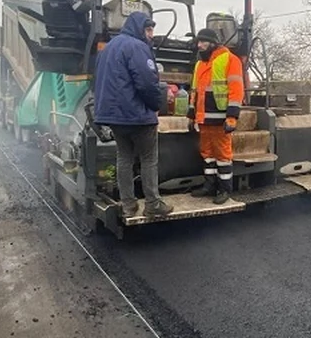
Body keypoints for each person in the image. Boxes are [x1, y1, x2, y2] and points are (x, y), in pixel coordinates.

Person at [93, 12, 174, 218]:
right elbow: (147, 82)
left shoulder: (107, 48)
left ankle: (128, 205)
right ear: (138, 29)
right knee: (148, 159)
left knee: (124, 158)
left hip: (114, 117)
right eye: (148, 30)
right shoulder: (138, 47)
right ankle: (153, 204)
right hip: (137, 115)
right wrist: (156, 104)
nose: (151, 35)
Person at [187, 29, 245, 205]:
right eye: (198, 42)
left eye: (203, 42)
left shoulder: (230, 59)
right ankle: (210, 186)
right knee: (207, 154)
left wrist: (232, 117)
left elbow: (236, 90)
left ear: (213, 43)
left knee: (222, 155)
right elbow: (195, 92)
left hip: (221, 118)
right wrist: (191, 115)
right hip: (203, 119)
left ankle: (224, 189)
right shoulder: (199, 64)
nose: (199, 45)